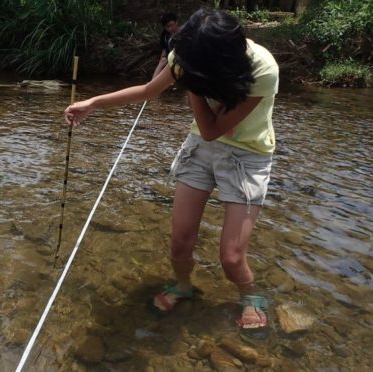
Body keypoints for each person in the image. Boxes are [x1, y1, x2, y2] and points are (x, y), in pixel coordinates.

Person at [65, 8, 279, 330]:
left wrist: (191, 83)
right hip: (201, 148)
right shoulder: (190, 53)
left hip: (247, 154)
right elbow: (150, 91)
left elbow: (212, 128)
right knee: (179, 242)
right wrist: (93, 103)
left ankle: (249, 294)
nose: (182, 62)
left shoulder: (262, 69)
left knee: (232, 258)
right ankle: (183, 285)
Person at [152, 12, 179, 79]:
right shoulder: (165, 35)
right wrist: (163, 57)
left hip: (180, 57)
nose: (170, 28)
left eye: (171, 25)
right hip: (170, 57)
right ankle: (152, 82)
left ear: (176, 23)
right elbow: (164, 49)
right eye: (167, 27)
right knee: (162, 61)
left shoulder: (183, 33)